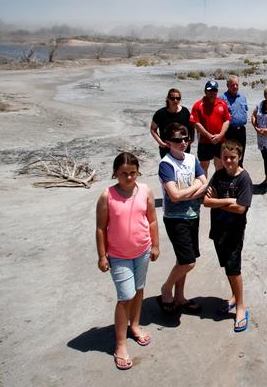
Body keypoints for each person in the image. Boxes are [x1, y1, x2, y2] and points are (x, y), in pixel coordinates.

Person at [96, 152, 160, 371]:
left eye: (132, 173)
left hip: (142, 250)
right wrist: (102, 256)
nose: (129, 177)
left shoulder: (145, 191)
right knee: (125, 296)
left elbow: (152, 219)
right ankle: (120, 344)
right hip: (118, 255)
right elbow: (100, 228)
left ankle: (135, 325)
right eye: (123, 174)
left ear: (138, 172)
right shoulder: (107, 195)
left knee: (139, 289)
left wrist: (156, 244)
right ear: (115, 173)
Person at [203, 140, 253, 332]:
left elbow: (240, 208)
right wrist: (228, 200)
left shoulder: (244, 179)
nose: (229, 161)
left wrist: (217, 201)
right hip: (218, 229)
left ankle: (240, 307)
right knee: (227, 266)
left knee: (234, 268)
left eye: (232, 157)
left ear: (239, 157)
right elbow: (206, 202)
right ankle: (234, 297)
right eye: (225, 157)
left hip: (234, 230)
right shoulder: (218, 175)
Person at [157, 123, 207, 315]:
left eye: (186, 139)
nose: (183, 143)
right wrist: (194, 188)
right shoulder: (166, 164)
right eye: (178, 140)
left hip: (193, 215)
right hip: (175, 218)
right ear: (168, 142)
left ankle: (179, 297)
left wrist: (185, 193)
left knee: (181, 259)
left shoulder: (192, 159)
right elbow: (174, 196)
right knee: (188, 262)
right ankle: (166, 289)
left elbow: (205, 183)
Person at [190, 80, 231, 175]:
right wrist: (208, 135)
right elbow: (195, 123)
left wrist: (221, 135)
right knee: (204, 166)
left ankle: (218, 187)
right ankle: (204, 187)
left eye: (214, 90)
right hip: (204, 141)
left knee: (220, 165)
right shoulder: (198, 105)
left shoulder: (222, 103)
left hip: (220, 141)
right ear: (205, 91)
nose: (212, 93)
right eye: (210, 90)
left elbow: (226, 120)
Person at [150, 88, 193, 158]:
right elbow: (153, 129)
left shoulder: (185, 111)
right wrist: (160, 142)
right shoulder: (160, 113)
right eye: (172, 98)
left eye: (178, 98)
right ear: (168, 99)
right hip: (167, 148)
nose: (175, 100)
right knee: (167, 167)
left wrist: (192, 138)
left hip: (183, 147)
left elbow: (191, 126)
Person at [219, 75, 248, 165]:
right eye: (232, 85)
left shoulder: (242, 97)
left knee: (240, 152)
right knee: (229, 153)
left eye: (237, 85)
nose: (235, 87)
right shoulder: (222, 98)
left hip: (241, 130)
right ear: (228, 86)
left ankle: (239, 172)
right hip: (229, 131)